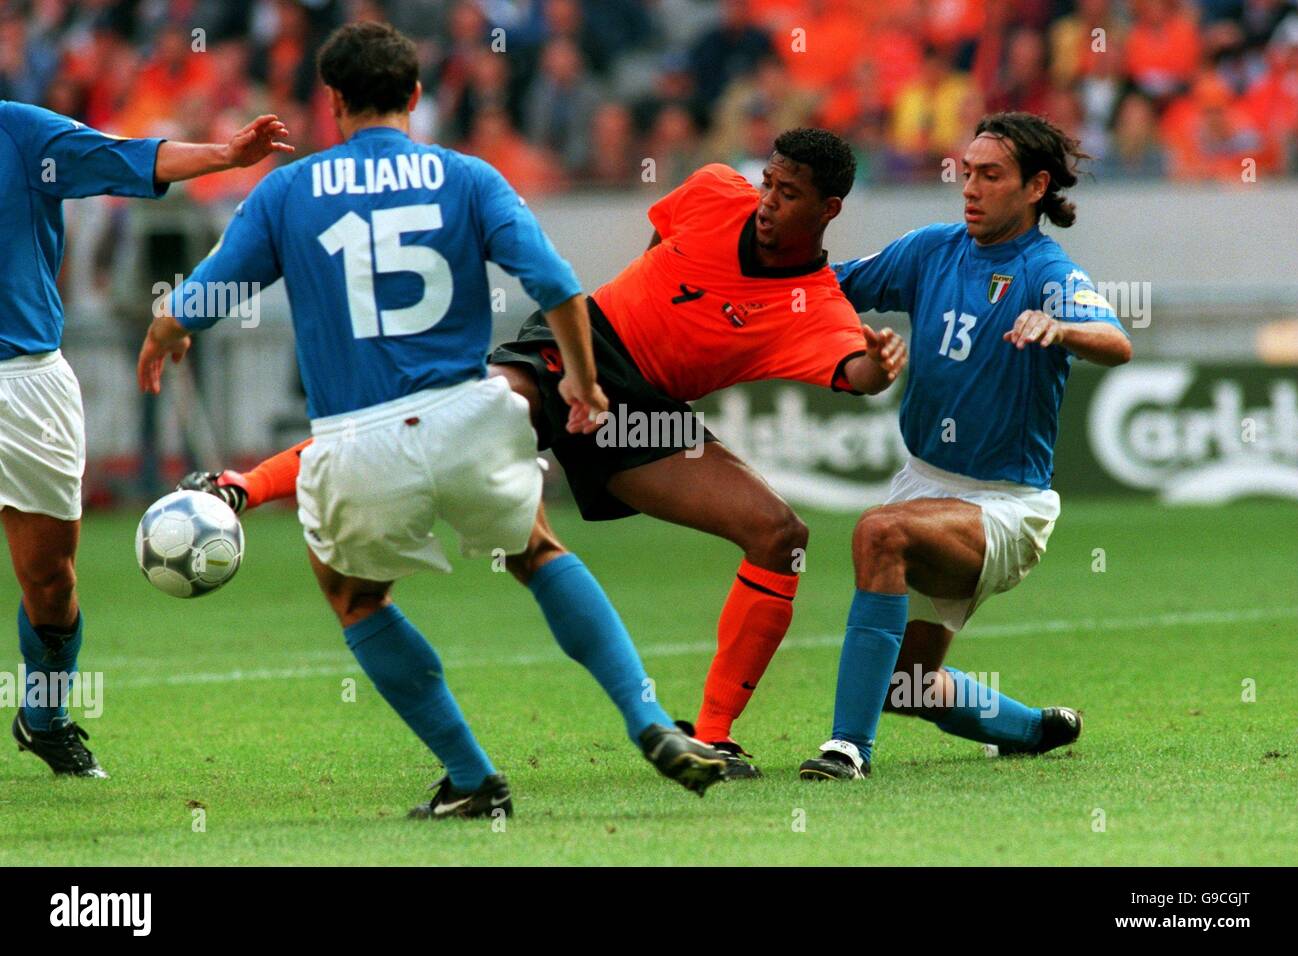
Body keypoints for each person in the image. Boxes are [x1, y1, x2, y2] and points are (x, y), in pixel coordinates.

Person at [182, 127, 908, 780]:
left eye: (789, 194)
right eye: (769, 184)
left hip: (646, 419)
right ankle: (242, 486)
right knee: (447, 413)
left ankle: (712, 736)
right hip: (577, 347)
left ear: (830, 208)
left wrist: (881, 361)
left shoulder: (818, 306)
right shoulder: (717, 189)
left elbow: (857, 372)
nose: (768, 204)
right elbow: (665, 249)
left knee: (780, 536)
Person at [137, 22, 725, 819]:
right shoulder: (469, 176)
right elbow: (556, 284)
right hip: (469, 414)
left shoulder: (286, 190)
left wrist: (167, 326)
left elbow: (207, 299)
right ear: (416, 97)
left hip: (359, 436)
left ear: (332, 100)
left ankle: (474, 780)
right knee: (538, 549)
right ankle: (649, 718)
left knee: (354, 597)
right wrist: (584, 385)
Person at [797, 111, 1133, 782]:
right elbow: (824, 290)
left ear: (1036, 186)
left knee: (880, 533)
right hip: (924, 484)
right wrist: (847, 342)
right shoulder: (932, 250)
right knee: (909, 686)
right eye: (966, 173)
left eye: (990, 175)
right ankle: (1032, 730)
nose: (970, 188)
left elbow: (1117, 342)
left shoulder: (1046, 271)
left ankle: (847, 750)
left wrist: (1061, 329)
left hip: (1004, 505)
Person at [1, 95, 291, 778]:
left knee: (49, 580)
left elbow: (126, 157)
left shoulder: (19, 131)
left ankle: (44, 718)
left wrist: (224, 154)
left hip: (24, 387)